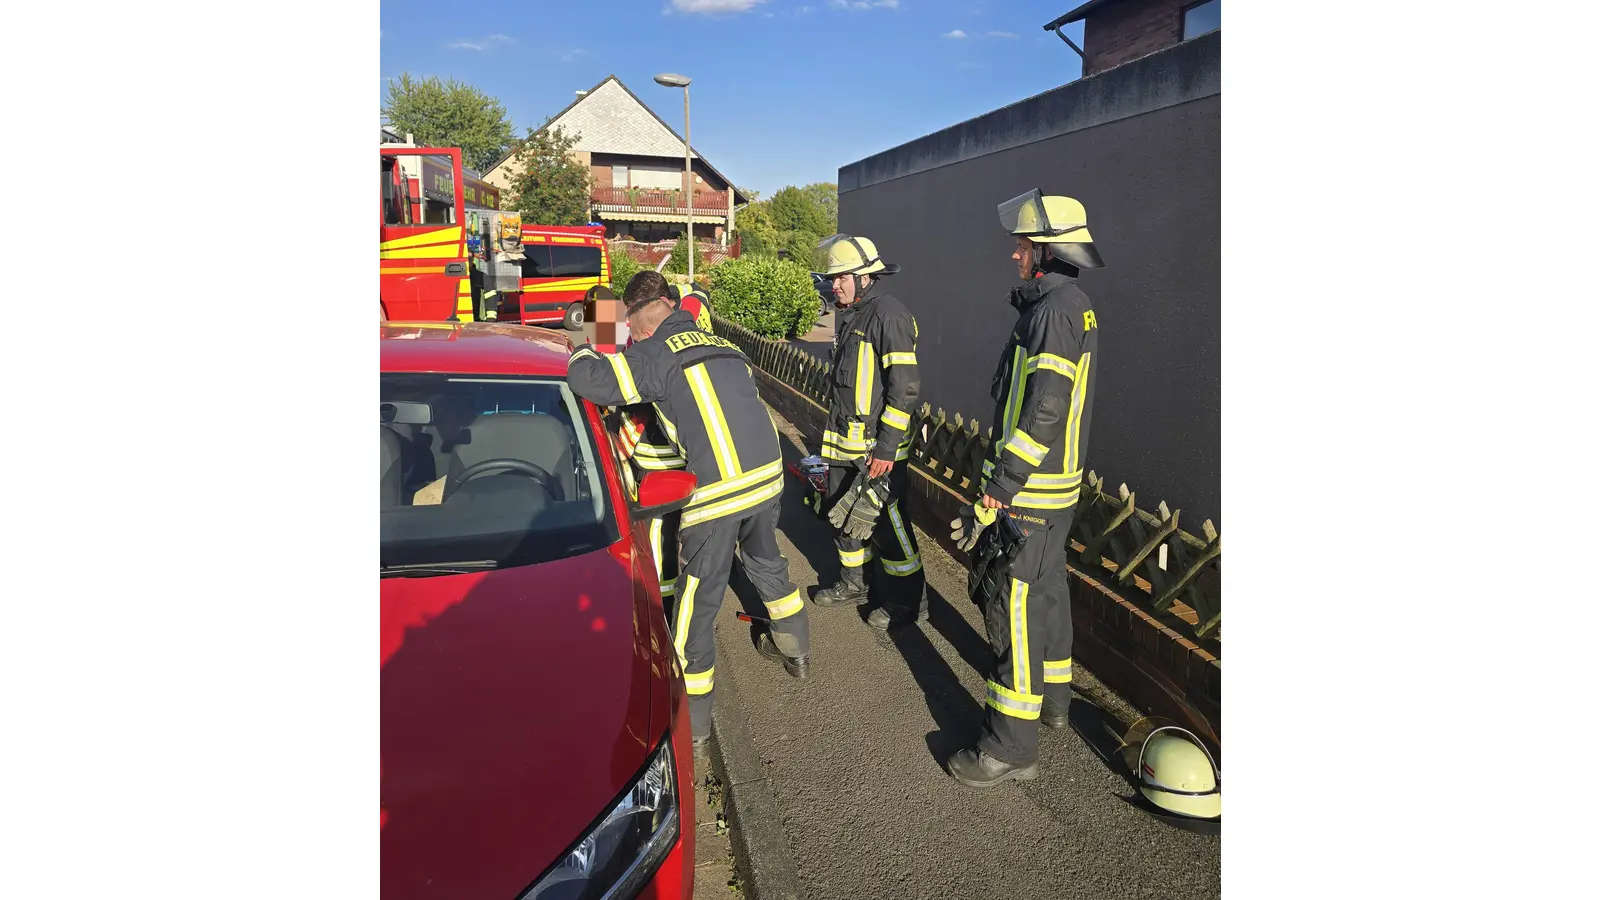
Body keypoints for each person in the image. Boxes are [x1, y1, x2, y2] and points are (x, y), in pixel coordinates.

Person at [568, 274, 813, 746]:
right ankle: (796, 650)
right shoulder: (722, 343)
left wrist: (580, 343)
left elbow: (590, 379)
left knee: (695, 611)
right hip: (768, 479)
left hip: (717, 495)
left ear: (642, 314)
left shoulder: (654, 352)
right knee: (767, 563)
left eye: (631, 326)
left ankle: (689, 727)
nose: (631, 335)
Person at [947, 189, 1104, 788]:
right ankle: (1055, 704)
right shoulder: (1071, 304)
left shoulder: (1054, 312)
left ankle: (1010, 747)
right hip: (1054, 493)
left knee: (1012, 604)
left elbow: (1045, 410)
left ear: (1046, 252)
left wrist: (1001, 487)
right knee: (1047, 594)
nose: (1014, 254)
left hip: (1029, 495)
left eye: (1022, 244)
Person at [808, 234, 926, 629]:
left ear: (865, 276)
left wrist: (887, 448)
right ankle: (854, 584)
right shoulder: (852, 313)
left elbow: (904, 388)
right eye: (833, 278)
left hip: (876, 449)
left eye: (841, 277)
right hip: (844, 444)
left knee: (889, 527)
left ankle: (909, 603)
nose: (834, 285)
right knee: (845, 518)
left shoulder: (888, 316)